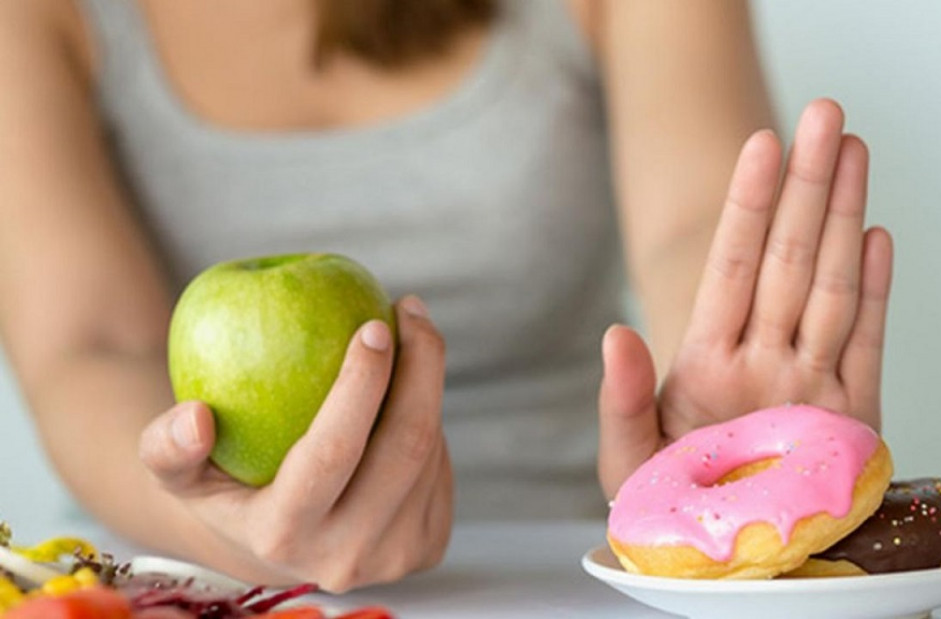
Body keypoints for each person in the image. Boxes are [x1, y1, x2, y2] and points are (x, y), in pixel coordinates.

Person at [0, 0, 892, 592]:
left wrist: (731, 389)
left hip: (558, 583)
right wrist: (223, 533)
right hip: (181, 582)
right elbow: (85, 342)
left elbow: (694, 219)